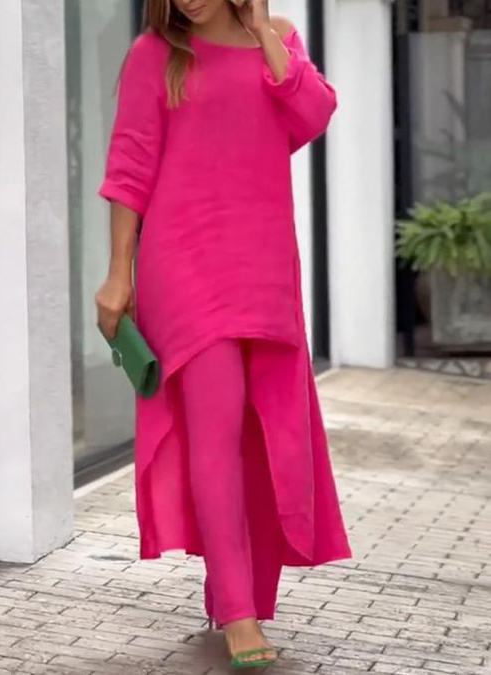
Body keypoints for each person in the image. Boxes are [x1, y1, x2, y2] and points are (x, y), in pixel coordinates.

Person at [96, 0, 352, 668]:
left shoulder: (280, 40)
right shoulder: (155, 55)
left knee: (260, 435)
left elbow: (312, 115)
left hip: (263, 265)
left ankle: (232, 589)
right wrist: (118, 274)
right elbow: (130, 168)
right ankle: (240, 617)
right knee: (215, 428)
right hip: (183, 264)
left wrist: (263, 30)